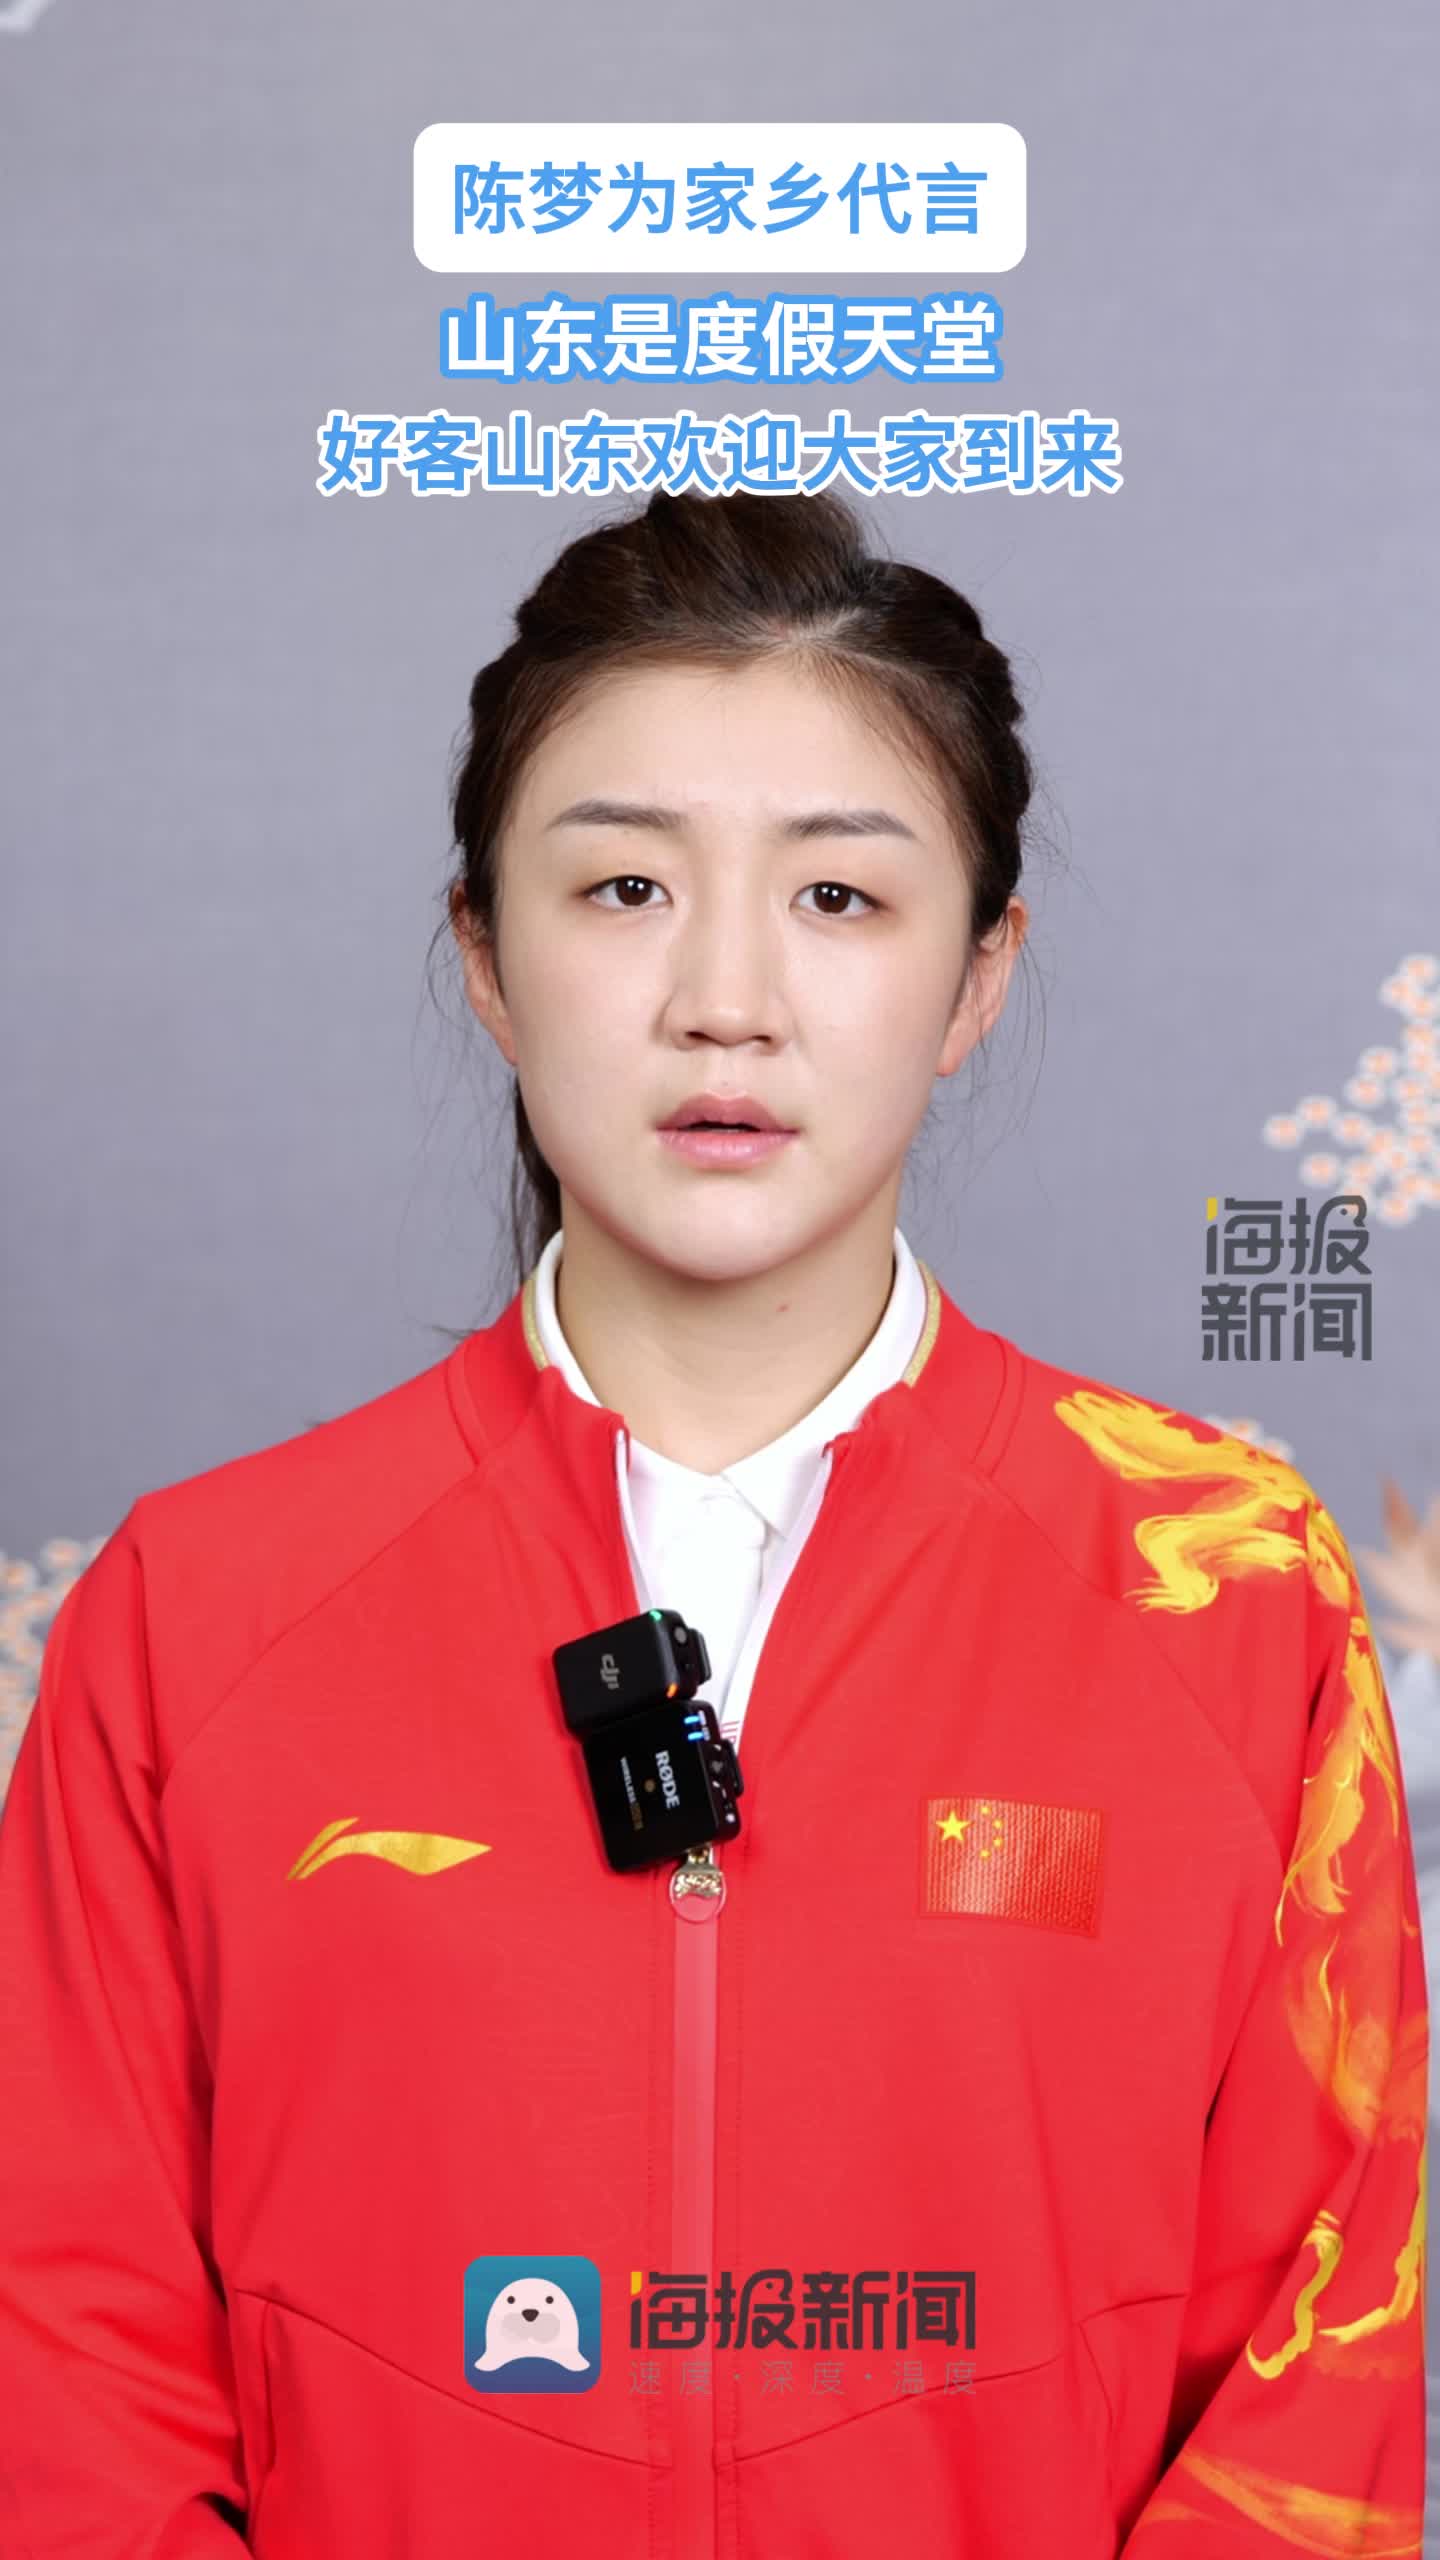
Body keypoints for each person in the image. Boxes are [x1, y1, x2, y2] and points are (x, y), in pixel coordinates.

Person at [0, 488, 1425, 2559]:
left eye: (840, 894)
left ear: (979, 974)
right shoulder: (199, 1613)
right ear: (486, 957)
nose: (726, 998)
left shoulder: (1226, 1590)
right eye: (625, 887)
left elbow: (1321, 2354)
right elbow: (70, 2369)